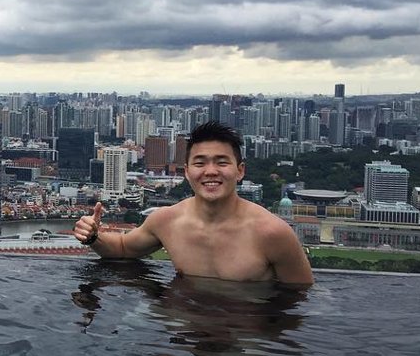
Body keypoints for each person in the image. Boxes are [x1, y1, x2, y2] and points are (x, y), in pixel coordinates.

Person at [74, 121, 314, 286]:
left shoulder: (272, 233)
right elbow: (123, 248)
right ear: (187, 172)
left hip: (243, 334)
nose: (211, 171)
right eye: (200, 163)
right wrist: (93, 236)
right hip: (182, 326)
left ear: (240, 171)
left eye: (222, 162)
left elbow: (301, 299)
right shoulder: (167, 221)